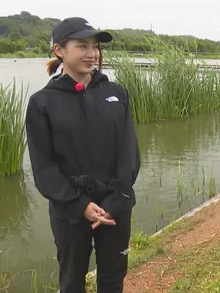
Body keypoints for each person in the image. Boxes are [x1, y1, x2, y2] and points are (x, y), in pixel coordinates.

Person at [25, 17, 141, 293]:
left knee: (113, 278)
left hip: (115, 205)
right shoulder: (43, 102)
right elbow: (44, 167)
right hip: (71, 210)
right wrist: (80, 206)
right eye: (82, 46)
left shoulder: (116, 94)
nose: (92, 54)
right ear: (59, 50)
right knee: (71, 281)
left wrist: (116, 198)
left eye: (95, 47)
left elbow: (129, 152)